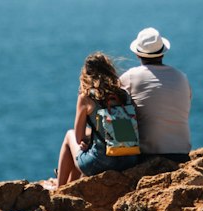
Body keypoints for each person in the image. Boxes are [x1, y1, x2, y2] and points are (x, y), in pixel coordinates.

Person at [55, 52, 142, 188]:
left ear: (86, 74)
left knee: (69, 136)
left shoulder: (86, 97)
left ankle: (59, 188)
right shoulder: (123, 95)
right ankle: (70, 187)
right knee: (87, 142)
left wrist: (85, 141)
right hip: (129, 160)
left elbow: (78, 138)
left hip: (101, 162)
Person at [118, 27, 192, 162]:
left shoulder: (130, 77)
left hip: (147, 155)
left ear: (137, 54)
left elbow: (111, 107)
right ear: (163, 53)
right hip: (181, 154)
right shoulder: (182, 77)